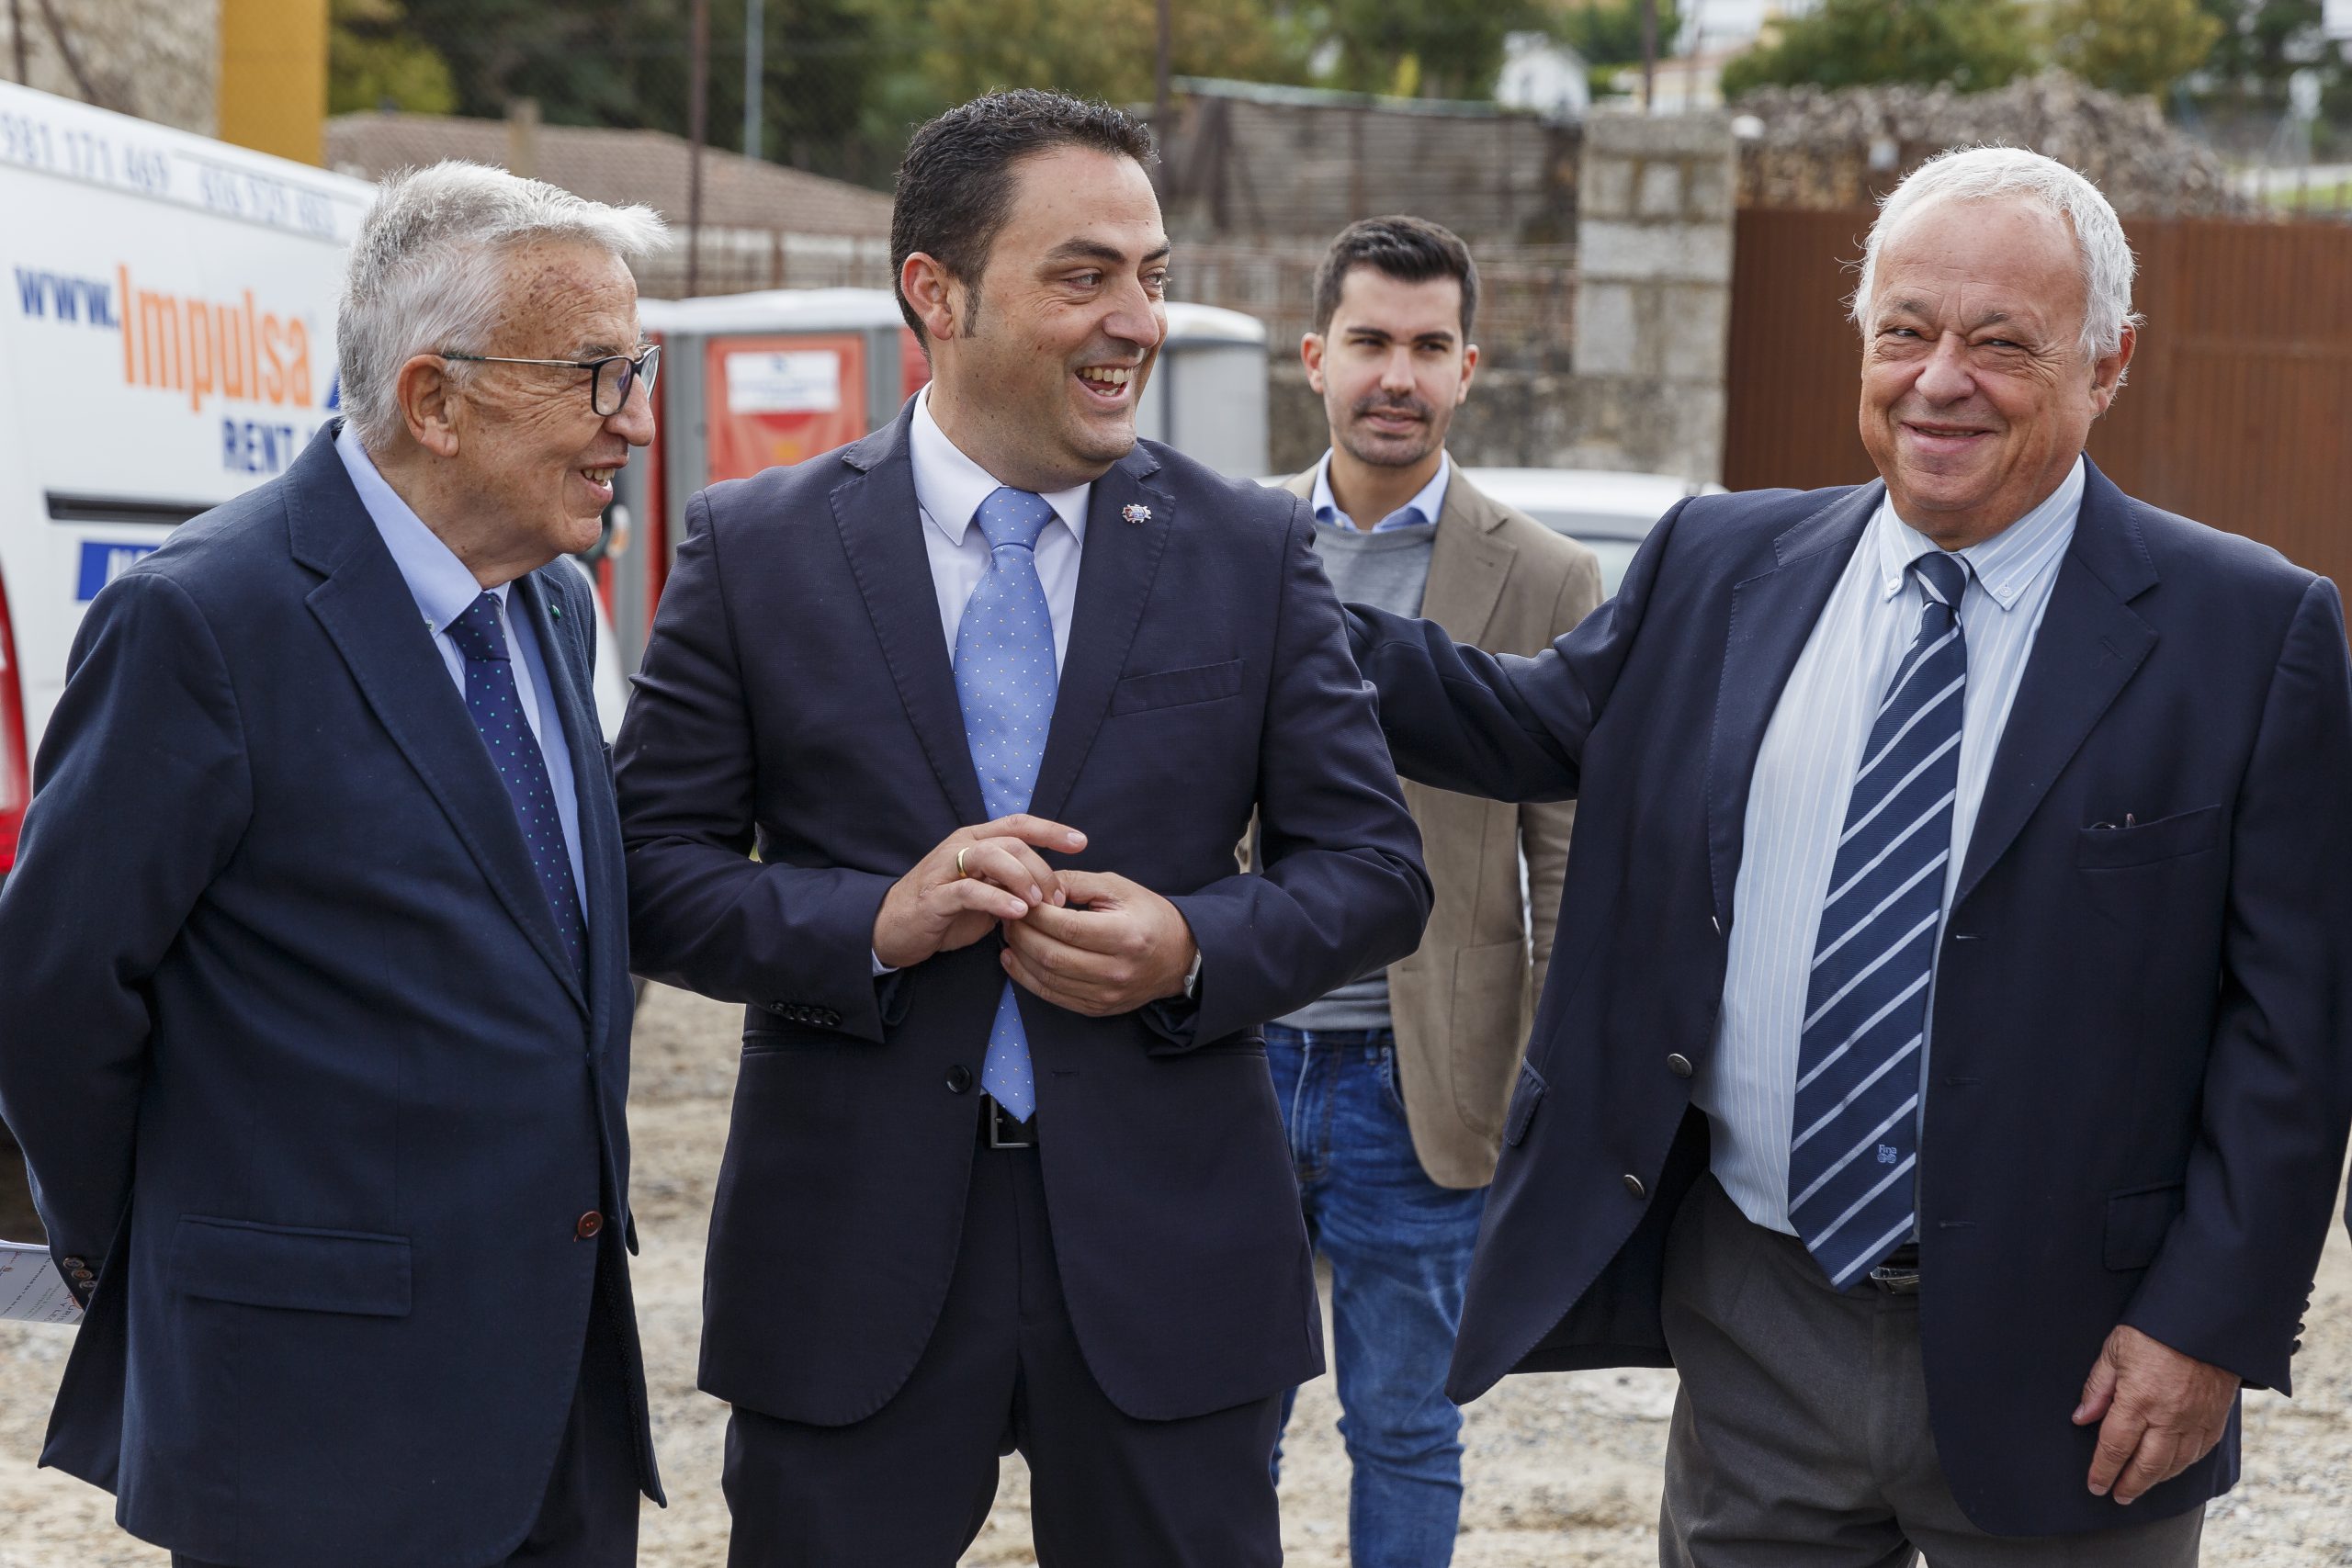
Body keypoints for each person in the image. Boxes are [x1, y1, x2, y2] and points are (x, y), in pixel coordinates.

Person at [1345, 146, 2352, 1565]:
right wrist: (1250, 586)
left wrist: (2205, 1325)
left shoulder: (2248, 633)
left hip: (2082, 1365)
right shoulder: (1718, 563)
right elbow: (1513, 722)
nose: (1942, 379)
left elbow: (2293, 1037)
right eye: (1907, 332)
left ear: (2109, 363)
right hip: (1762, 1316)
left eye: (2005, 344)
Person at [614, 90, 1430, 1567]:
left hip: (1169, 1259)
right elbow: (649, 876)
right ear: (936, 291)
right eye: (1084, 276)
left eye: (1153, 274)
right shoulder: (756, 547)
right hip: (848, 1256)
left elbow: (1375, 876)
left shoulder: (1249, 551)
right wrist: (867, 921)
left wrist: (1187, 943)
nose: (1138, 320)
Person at [0, 163, 668, 1568]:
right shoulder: (201, 623)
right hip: (309, 1428)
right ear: (434, 400)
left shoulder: (545, 597)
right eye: (599, 376)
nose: (638, 421)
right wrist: (182, 1257)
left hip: (555, 1410)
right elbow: (52, 1002)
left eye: (641, 367)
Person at [1263, 214, 1600, 1566]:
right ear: (1315, 357)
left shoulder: (1547, 577)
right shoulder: (1226, 544)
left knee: (1405, 1425)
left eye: (1425, 346)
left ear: (1469, 367)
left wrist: (1546, 1078)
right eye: (1368, 343)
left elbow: (1567, 850)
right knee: (1213, 1410)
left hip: (1429, 1088)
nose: (1394, 375)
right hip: (1231, 1058)